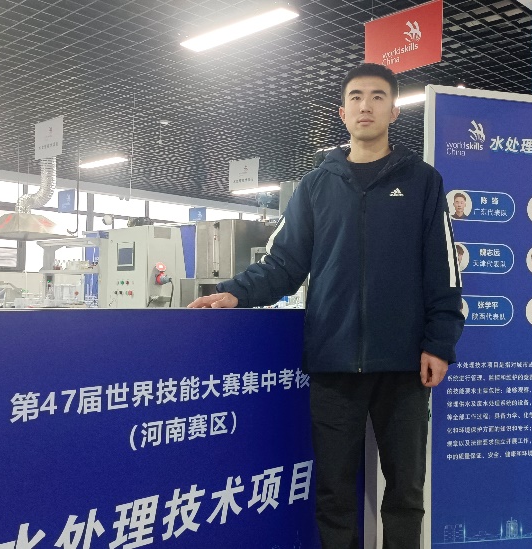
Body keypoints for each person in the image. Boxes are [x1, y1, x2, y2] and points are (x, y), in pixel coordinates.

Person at [189, 63, 464, 548]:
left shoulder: (423, 182)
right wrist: (235, 292)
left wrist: (439, 343)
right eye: (356, 97)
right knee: (334, 490)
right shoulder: (316, 186)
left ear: (394, 111)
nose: (365, 105)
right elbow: (284, 262)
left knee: (406, 490)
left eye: (377, 96)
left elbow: (442, 270)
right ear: (342, 112)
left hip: (404, 366)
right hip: (333, 364)